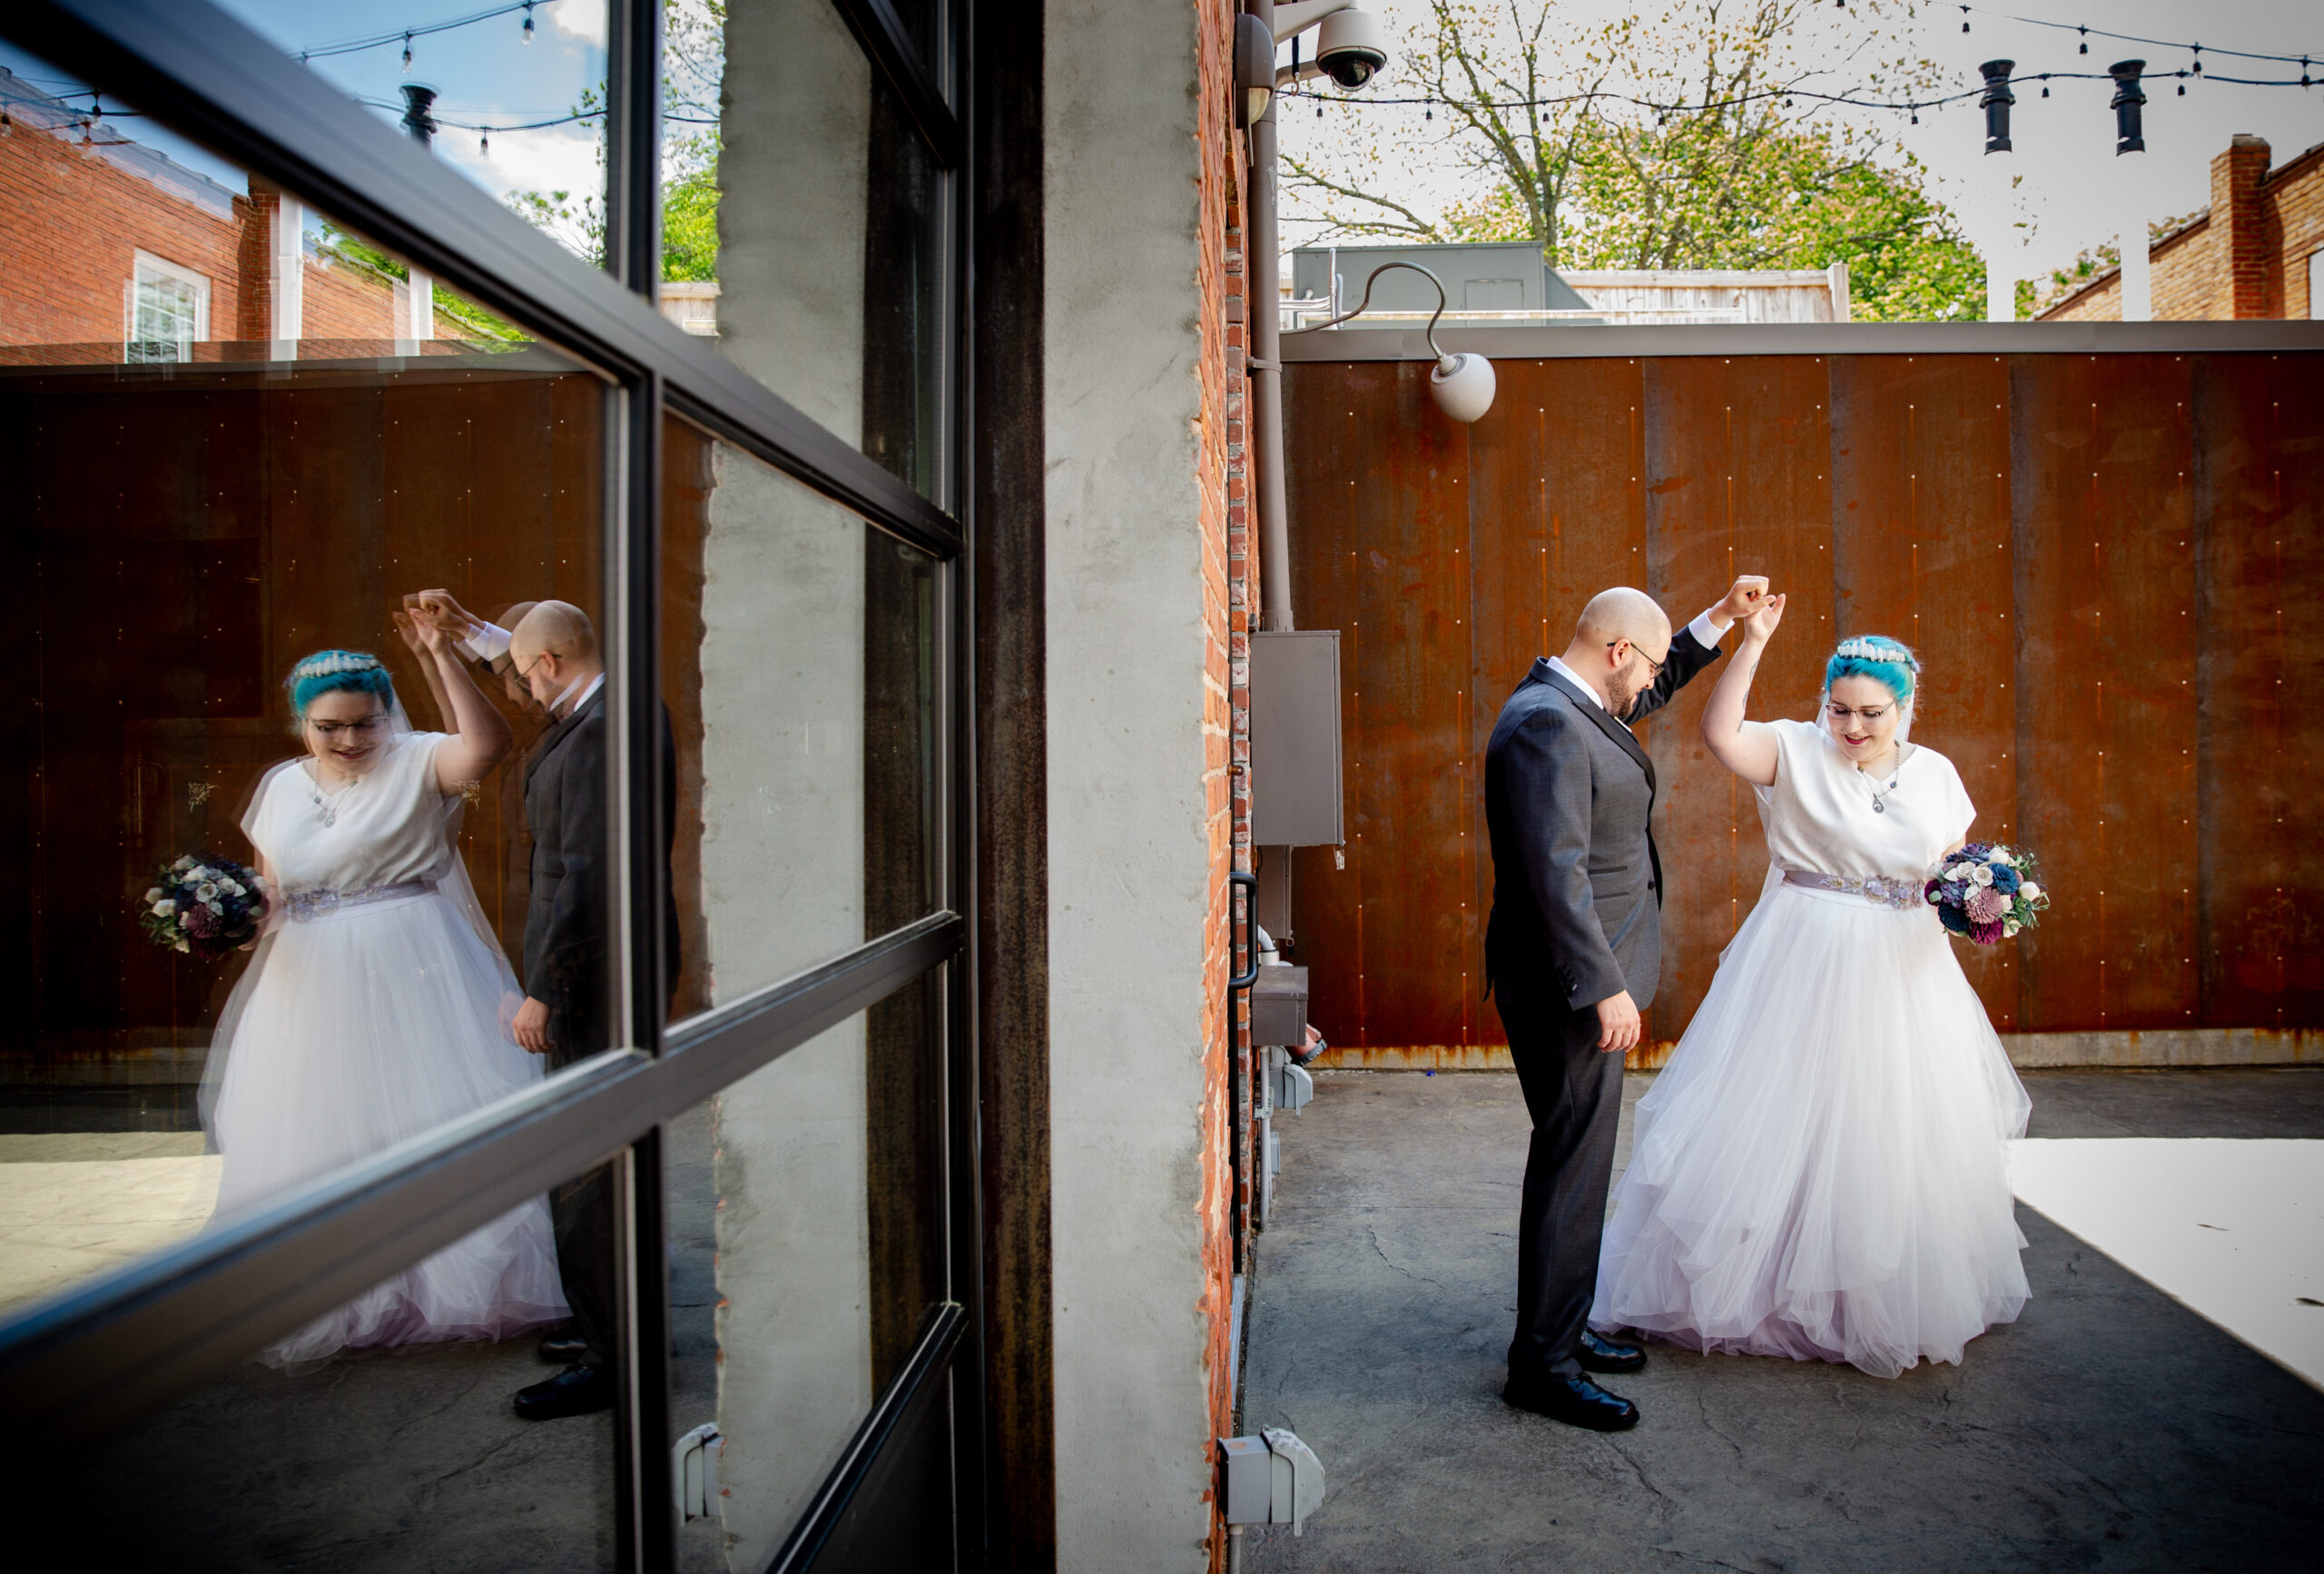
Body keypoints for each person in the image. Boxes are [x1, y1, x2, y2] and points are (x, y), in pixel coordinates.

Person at [1590, 603, 2032, 1380]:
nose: (1852, 728)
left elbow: (1952, 865)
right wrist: (1752, 642)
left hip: (1903, 967)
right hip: (1802, 950)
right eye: (1840, 709)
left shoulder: (1935, 775)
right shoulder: (1794, 748)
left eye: (1871, 714)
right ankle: (1757, 1288)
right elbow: (1721, 735)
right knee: (1783, 1112)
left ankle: (1870, 1298)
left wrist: (1982, 898)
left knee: (1886, 1121)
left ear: (1905, 709)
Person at [202, 638, 566, 1367]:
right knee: (321, 1122)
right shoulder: (279, 786)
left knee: (422, 1109)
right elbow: (272, 891)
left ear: (385, 714)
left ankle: (446, 1286)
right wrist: (231, 920)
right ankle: (339, 1286)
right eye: (329, 727)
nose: (349, 740)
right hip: (307, 976)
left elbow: (486, 745)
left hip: (413, 961)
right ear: (301, 723)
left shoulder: (419, 759)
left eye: (364, 722)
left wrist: (440, 657)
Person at [1483, 575, 1770, 1432]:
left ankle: (1560, 1331)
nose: (1648, 688)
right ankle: (1543, 1366)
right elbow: (1553, 874)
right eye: (1642, 672)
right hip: (1570, 987)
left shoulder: (1577, 707)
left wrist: (1720, 619)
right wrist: (1603, 983)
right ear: (1615, 654)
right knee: (1572, 1170)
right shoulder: (1545, 727)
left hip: (1574, 978)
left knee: (1576, 1163)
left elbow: (1655, 676)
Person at [444, 598, 681, 1422]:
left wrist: (545, 987)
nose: (514, 683)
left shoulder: (597, 736)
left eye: (519, 668)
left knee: (587, 1174)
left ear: (545, 664)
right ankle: (607, 1327)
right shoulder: (620, 702)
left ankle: (614, 1362)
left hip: (594, 982)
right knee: (603, 1163)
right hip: (618, 972)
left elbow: (584, 877)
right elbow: (532, 654)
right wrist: (472, 632)